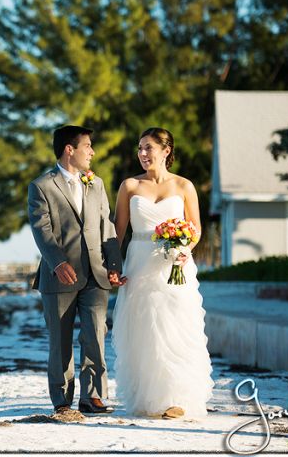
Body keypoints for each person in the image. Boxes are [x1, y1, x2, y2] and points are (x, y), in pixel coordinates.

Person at [110, 127, 214, 419]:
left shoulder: (184, 186)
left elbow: (194, 229)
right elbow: (117, 234)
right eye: (140, 148)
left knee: (176, 327)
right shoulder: (129, 186)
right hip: (139, 263)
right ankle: (149, 397)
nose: (142, 154)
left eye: (148, 148)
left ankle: (177, 399)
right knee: (145, 330)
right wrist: (113, 266)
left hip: (174, 266)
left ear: (166, 151)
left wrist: (184, 249)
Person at [28, 125, 126, 416]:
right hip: (59, 275)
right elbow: (41, 229)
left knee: (95, 334)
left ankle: (93, 396)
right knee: (60, 340)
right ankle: (62, 399)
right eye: (88, 146)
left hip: (96, 274)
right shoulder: (42, 186)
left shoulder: (96, 184)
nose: (92, 152)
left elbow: (106, 225)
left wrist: (114, 264)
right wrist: (57, 262)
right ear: (70, 149)